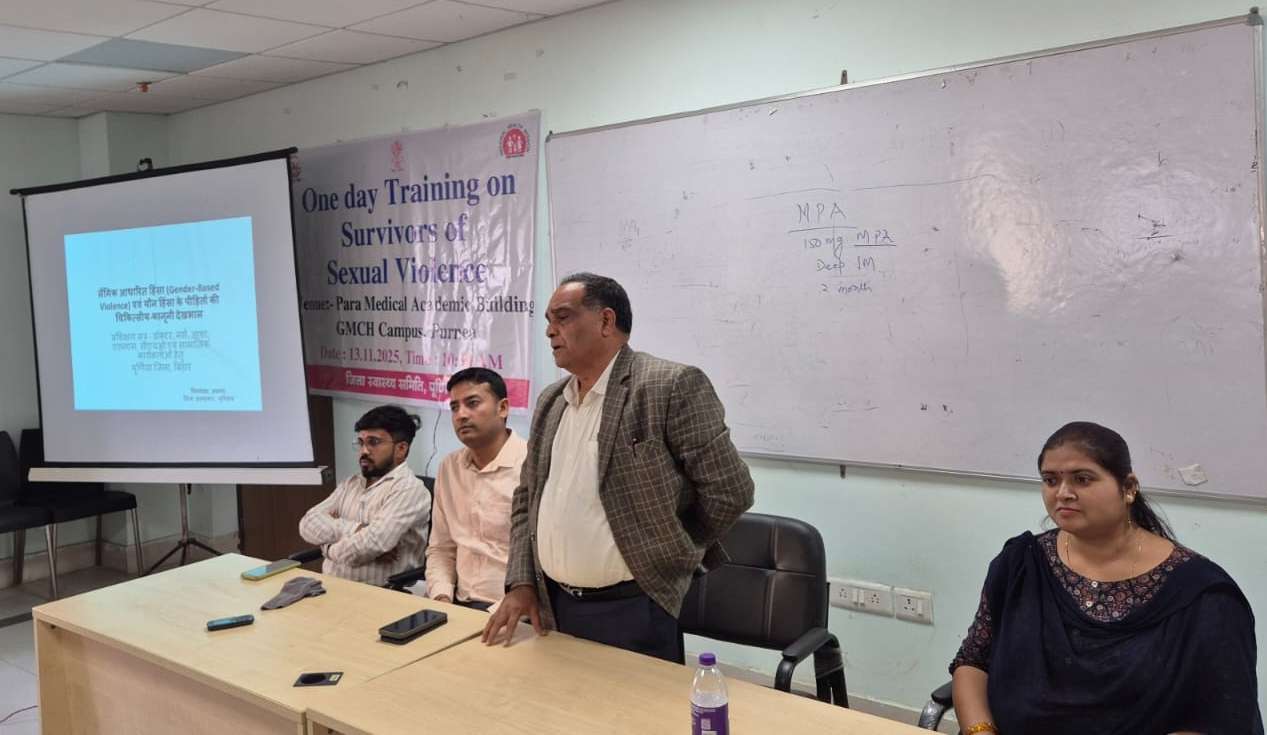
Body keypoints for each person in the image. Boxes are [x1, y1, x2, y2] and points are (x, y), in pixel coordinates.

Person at [481, 272, 755, 662]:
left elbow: (731, 491)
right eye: (548, 321)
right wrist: (522, 581)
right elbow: (527, 498)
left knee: (638, 704)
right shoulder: (551, 401)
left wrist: (670, 548)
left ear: (606, 321)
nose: (550, 331)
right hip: (554, 605)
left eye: (563, 317)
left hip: (635, 607)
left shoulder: (667, 386)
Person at [950, 421, 1262, 735]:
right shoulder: (1019, 564)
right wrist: (980, 731)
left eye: (1082, 479)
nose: (1063, 493)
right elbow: (973, 661)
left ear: (1128, 488)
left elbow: (1225, 718)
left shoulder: (1204, 595)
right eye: (1050, 480)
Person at [424, 367, 527, 611]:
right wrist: (441, 598)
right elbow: (441, 548)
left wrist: (496, 614)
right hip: (457, 603)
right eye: (454, 407)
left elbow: (540, 562)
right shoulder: (450, 467)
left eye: (472, 403)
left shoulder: (532, 464)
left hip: (514, 610)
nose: (461, 415)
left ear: (503, 408)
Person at [298, 405, 431, 586]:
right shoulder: (351, 484)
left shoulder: (409, 490)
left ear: (401, 449)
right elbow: (307, 523)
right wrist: (356, 529)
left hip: (382, 592)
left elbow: (367, 546)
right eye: (361, 442)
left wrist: (327, 548)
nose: (364, 451)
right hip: (330, 586)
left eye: (373, 442)